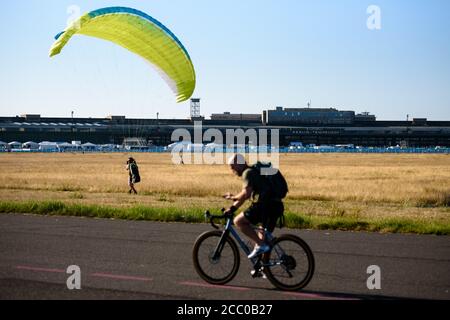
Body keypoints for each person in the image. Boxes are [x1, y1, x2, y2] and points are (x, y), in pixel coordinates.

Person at [224, 154, 284, 259]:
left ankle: (261, 245)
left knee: (238, 221)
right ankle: (264, 270)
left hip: (266, 206)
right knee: (263, 239)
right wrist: (233, 208)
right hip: (276, 206)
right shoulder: (253, 171)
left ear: (239, 163)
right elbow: (244, 196)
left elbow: (246, 194)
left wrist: (233, 198)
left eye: (233, 167)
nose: (232, 170)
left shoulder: (247, 173)